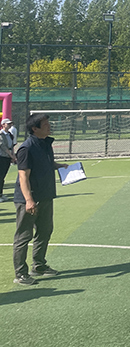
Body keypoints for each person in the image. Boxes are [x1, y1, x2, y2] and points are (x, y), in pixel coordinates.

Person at [12, 113, 69, 285]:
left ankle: (38, 266)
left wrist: (60, 166)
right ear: (34, 129)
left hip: (45, 196)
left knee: (45, 231)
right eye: (45, 125)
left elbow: (46, 164)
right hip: (29, 199)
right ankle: (20, 274)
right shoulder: (26, 148)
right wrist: (29, 200)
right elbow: (23, 176)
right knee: (24, 236)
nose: (49, 127)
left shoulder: (45, 143)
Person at [0, 118, 16, 202]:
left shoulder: (10, 134)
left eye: (10, 124)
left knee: (3, 176)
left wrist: (13, 155)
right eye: (8, 124)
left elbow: (11, 146)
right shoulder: (1, 134)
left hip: (7, 157)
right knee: (0, 176)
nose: (10, 125)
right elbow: (3, 146)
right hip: (2, 156)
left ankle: (1, 193)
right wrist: (11, 155)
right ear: (3, 125)